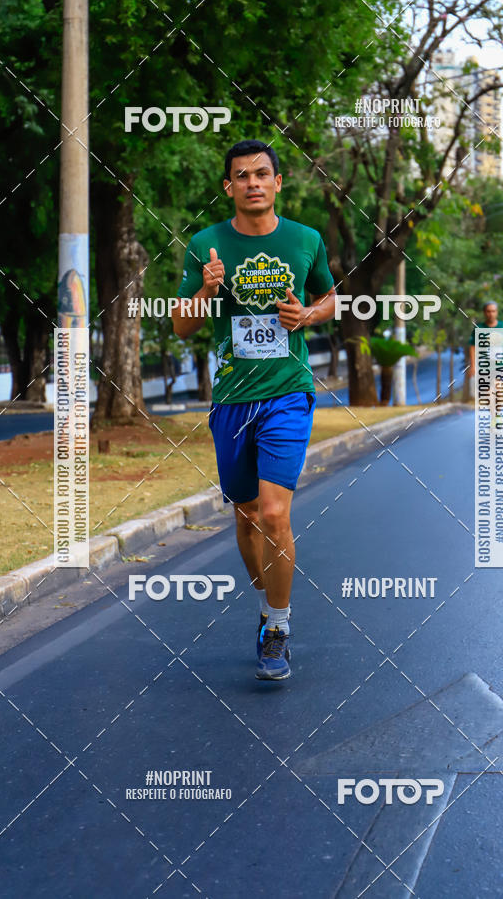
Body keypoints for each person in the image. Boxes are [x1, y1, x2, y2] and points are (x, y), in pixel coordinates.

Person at [170, 140, 336, 681]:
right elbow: (181, 326)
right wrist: (206, 292)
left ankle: (279, 627)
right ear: (229, 187)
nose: (253, 183)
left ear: (278, 182)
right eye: (241, 176)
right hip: (232, 399)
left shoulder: (306, 239)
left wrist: (307, 315)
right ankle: (267, 604)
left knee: (272, 513)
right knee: (244, 519)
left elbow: (329, 298)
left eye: (262, 174)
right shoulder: (206, 244)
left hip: (288, 391)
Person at [468, 301, 503, 391]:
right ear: (484, 313)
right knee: (487, 393)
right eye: (488, 311)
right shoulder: (479, 328)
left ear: (497, 312)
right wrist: (473, 366)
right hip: (485, 365)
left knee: (500, 391)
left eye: (493, 311)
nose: (491, 314)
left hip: (501, 364)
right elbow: (472, 347)